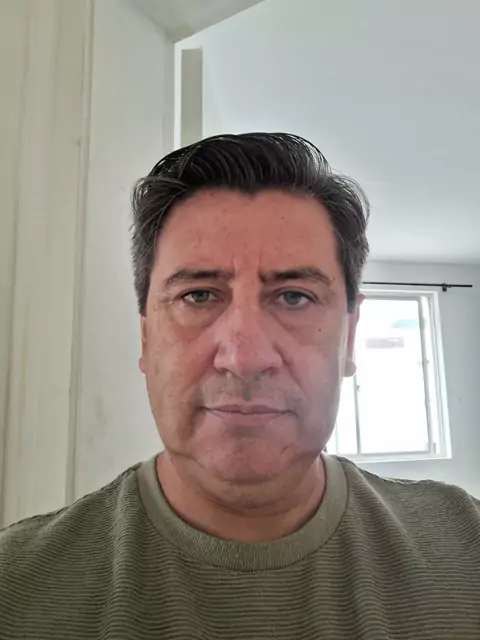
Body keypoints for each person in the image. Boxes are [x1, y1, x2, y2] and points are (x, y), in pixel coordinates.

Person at [1, 133, 479, 640]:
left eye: (294, 297)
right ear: (146, 338)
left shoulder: (466, 541)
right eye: (198, 295)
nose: (245, 358)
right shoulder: (15, 588)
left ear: (350, 337)